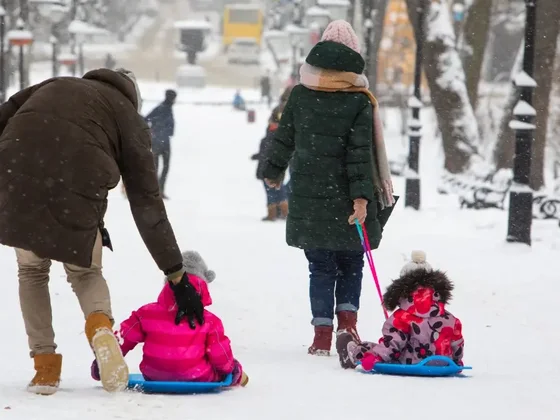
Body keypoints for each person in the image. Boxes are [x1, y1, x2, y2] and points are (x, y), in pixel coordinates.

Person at [0, 68, 205, 395]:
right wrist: (177, 276)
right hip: (80, 184)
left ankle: (45, 367)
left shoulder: (54, 85)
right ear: (133, 98)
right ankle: (100, 330)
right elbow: (147, 203)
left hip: (17, 172)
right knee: (86, 273)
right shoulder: (129, 118)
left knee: (32, 272)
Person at [261, 20, 396, 357]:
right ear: (353, 54)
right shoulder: (359, 100)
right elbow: (359, 155)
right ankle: (348, 327)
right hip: (348, 199)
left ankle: (322, 334)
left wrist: (274, 171)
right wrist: (362, 198)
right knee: (351, 263)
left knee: (320, 267)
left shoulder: (301, 94)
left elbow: (284, 137)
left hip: (309, 197)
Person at [92, 251, 249, 386]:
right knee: (221, 370)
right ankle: (236, 376)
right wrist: (232, 369)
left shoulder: (146, 314)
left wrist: (106, 363)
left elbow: (125, 336)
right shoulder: (209, 321)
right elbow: (219, 353)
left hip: (154, 375)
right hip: (198, 376)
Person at [337, 251, 465, 370]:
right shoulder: (450, 319)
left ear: (403, 289)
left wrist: (375, 357)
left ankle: (354, 355)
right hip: (443, 363)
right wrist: (456, 362)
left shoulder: (402, 318)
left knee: (370, 348)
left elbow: (393, 343)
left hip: (409, 363)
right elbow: (457, 343)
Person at [251, 86, 293, 221]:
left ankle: (280, 208)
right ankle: (282, 207)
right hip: (288, 146)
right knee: (286, 180)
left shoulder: (281, 109)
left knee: (276, 180)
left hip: (279, 145)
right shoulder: (293, 108)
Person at [145, 89, 177, 199]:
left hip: (163, 141)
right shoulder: (162, 108)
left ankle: (158, 191)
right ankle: (156, 191)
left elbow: (147, 119)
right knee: (159, 167)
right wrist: (153, 130)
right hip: (159, 142)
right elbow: (146, 119)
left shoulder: (165, 108)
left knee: (161, 167)